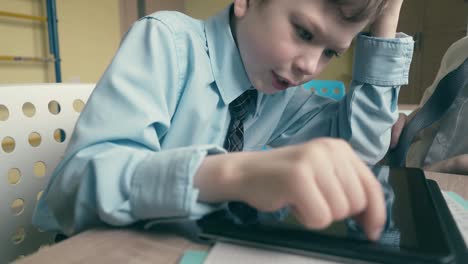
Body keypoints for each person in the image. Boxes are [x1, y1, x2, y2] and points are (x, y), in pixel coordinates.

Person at [33, 0, 413, 241]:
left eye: (330, 51)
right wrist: (234, 174)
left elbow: (361, 148)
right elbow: (75, 186)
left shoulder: (282, 94)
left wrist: (388, 16)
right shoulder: (166, 41)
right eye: (302, 32)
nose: (309, 67)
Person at [390, 36, 468, 175]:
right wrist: (409, 124)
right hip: (413, 175)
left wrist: (450, 167)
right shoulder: (460, 49)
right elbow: (432, 111)